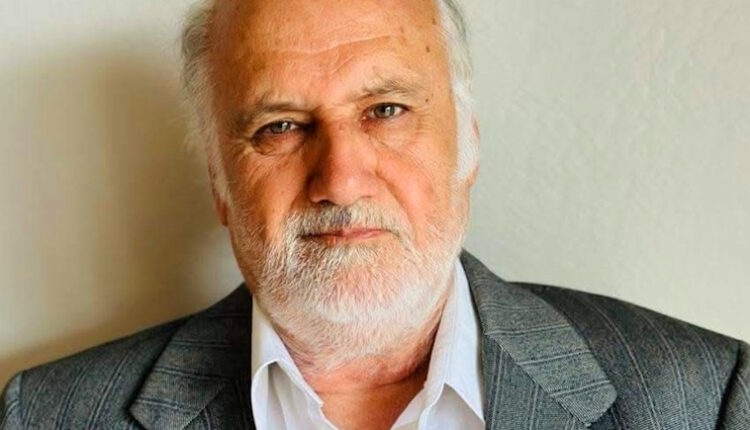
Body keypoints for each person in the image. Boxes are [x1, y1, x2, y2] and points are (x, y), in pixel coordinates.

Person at [1, 0, 748, 429]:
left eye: (386, 110)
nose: (341, 179)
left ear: (468, 146)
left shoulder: (705, 398)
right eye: (280, 127)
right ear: (220, 185)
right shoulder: (47, 417)